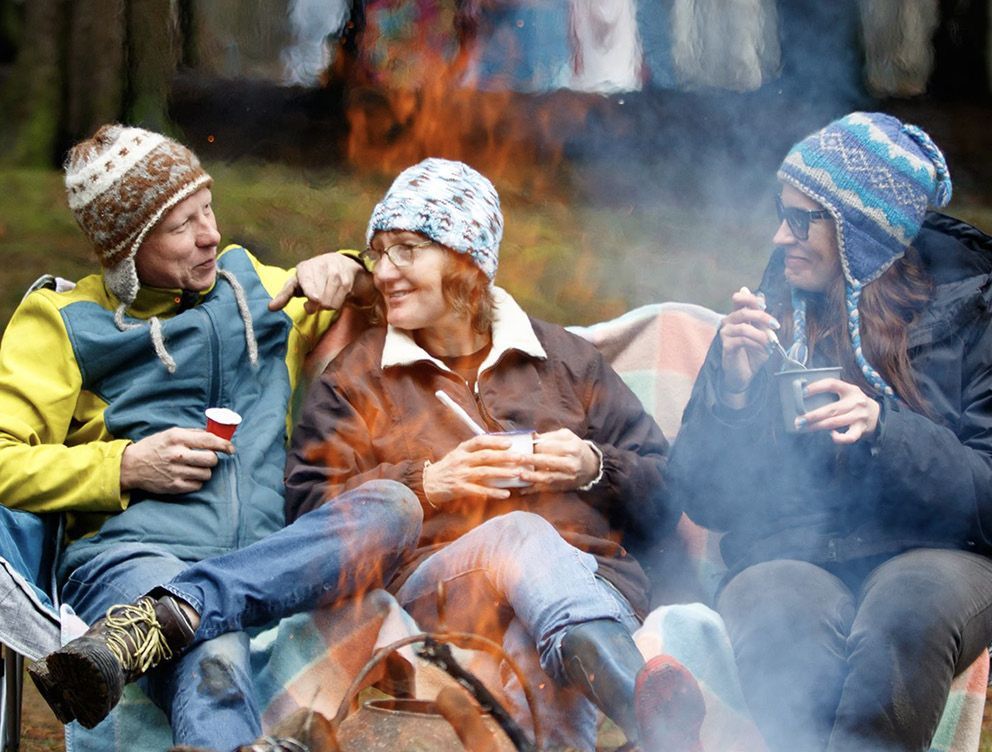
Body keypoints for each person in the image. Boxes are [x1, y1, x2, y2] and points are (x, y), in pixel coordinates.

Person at [4, 124, 423, 751]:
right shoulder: (66, 324)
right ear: (126, 250)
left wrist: (350, 271)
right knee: (214, 650)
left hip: (272, 559)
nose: (210, 234)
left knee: (395, 504)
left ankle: (180, 611)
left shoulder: (254, 287)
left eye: (208, 208)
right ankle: (176, 618)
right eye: (181, 225)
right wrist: (125, 466)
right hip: (132, 559)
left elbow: (389, 306)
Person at [284, 157, 707, 751]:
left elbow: (669, 495)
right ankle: (653, 722)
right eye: (378, 253)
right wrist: (426, 484)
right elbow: (309, 517)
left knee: (536, 657)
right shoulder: (357, 378)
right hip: (439, 587)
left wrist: (595, 466)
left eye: (407, 250)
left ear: (466, 260)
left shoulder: (565, 361)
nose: (383, 272)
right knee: (517, 534)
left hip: (592, 585)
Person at [667, 111, 992, 752]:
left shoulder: (973, 316)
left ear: (859, 230)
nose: (778, 236)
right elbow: (705, 500)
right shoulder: (769, 312)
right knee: (778, 614)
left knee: (908, 611)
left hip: (936, 554)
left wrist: (886, 431)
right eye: (780, 214)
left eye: (800, 219)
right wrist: (732, 392)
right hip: (791, 551)